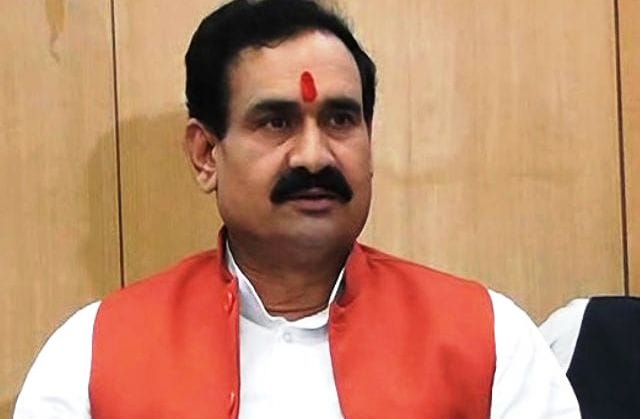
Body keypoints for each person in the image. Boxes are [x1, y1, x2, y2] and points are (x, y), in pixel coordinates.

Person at [14, 0, 580, 417]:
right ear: (206, 154)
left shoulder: (490, 341)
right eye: (276, 122)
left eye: (340, 120)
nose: (314, 155)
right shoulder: (91, 358)